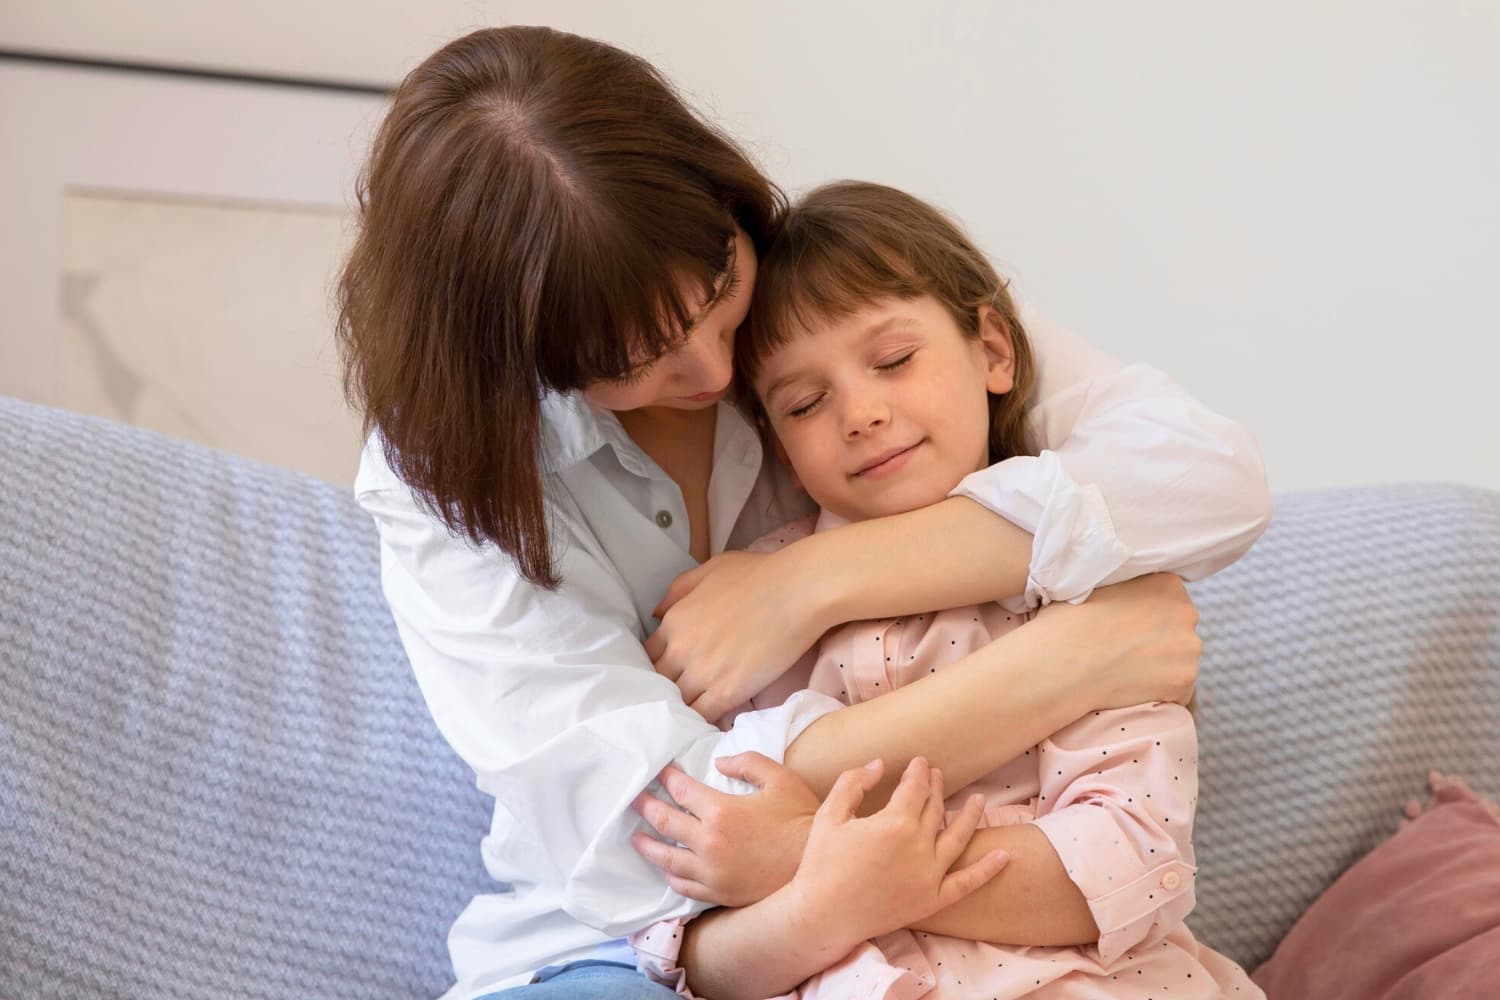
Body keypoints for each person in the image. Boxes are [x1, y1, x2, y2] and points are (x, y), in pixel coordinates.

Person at [336, 25, 1272, 1000]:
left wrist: (809, 581)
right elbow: (665, 835)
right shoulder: (441, 475)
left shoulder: (825, 315)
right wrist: (1065, 665)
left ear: (727, 198)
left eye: (717, 291)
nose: (712, 368)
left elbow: (1207, 477)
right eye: (628, 362)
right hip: (622, 943)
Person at [628, 181, 1263, 999]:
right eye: (805, 403)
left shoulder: (1089, 579)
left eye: (893, 361)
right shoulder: (743, 617)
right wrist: (803, 892)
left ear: (994, 352)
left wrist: (812, 858)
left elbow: (1128, 862)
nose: (858, 413)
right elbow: (693, 946)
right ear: (778, 450)